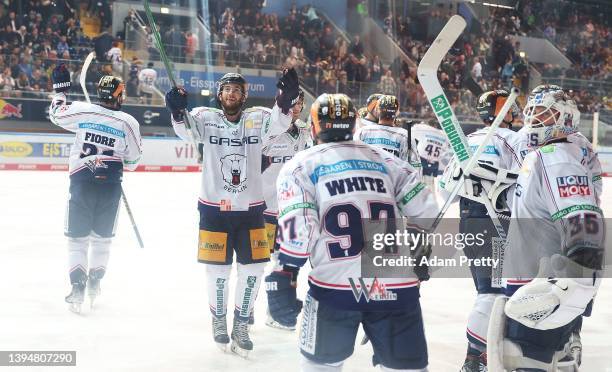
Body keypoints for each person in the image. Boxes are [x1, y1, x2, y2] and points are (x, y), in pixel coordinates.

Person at [267, 93, 439, 371]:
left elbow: (300, 230)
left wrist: (283, 273)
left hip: (335, 287)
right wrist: (418, 257)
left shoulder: (299, 166)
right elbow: (428, 213)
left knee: (321, 366)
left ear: (313, 127)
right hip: (395, 286)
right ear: (355, 123)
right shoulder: (390, 163)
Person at [164, 69, 300, 357]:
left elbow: (280, 121)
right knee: (218, 272)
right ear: (219, 93)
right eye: (227, 89)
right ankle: (218, 320)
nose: (231, 94)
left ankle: (241, 323)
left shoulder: (259, 118)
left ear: (245, 95)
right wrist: (177, 109)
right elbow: (185, 130)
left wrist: (285, 100)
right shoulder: (204, 117)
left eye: (237, 90)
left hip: (252, 211)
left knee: (253, 271)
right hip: (214, 210)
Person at [499, 85, 604, 371]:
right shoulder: (550, 153)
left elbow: (582, 219)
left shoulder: (556, 156)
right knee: (549, 359)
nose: (534, 121)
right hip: (540, 280)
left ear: (565, 119)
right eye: (531, 114)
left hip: (540, 286)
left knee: (525, 360)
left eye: (544, 115)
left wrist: (574, 280)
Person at [439, 90, 525, 372]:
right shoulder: (513, 139)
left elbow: (446, 192)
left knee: (488, 290)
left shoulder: (468, 141)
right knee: (495, 292)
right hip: (497, 223)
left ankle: (484, 353)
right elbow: (525, 184)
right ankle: (474, 358)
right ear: (503, 110)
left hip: (469, 222)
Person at [48, 64, 142, 314]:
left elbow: (56, 114)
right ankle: (94, 284)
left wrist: (60, 91)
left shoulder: (82, 111)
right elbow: (133, 162)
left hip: (81, 183)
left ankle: (77, 287)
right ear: (118, 95)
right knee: (102, 242)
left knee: (77, 241)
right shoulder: (128, 122)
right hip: (110, 187)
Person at [261, 89, 314, 330]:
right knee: (256, 264)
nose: (295, 107)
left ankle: (277, 311)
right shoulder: (267, 128)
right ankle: (247, 310)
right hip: (264, 209)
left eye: (299, 103)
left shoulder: (303, 130)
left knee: (286, 263)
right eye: (291, 102)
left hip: (291, 211)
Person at [354, 94, 422, 173]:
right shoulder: (405, 135)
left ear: (377, 110)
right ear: (397, 112)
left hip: (367, 181)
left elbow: (353, 158)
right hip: (393, 183)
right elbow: (415, 168)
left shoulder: (362, 132)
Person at [411, 119, 451, 191]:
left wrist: (421, 125)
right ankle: (429, 198)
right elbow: (446, 148)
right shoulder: (443, 134)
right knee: (430, 184)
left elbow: (412, 130)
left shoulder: (425, 130)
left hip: (422, 160)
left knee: (416, 181)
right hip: (434, 163)